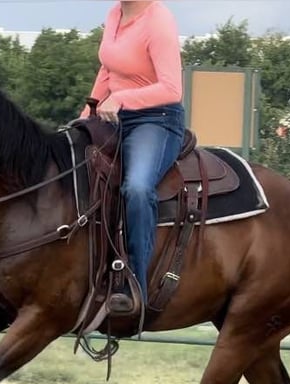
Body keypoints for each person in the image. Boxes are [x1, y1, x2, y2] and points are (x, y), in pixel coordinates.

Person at [81, 0, 185, 315]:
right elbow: (108, 68)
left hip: (156, 119)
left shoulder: (158, 20)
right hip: (114, 115)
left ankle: (134, 283)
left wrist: (122, 98)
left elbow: (172, 89)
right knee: (69, 168)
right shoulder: (115, 14)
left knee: (137, 188)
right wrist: (89, 111)